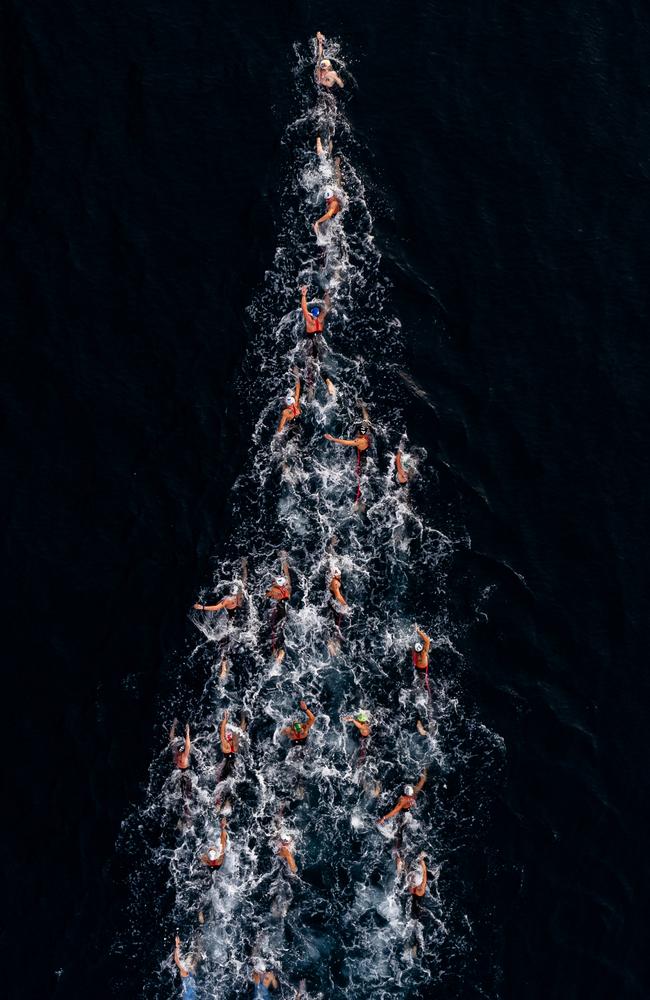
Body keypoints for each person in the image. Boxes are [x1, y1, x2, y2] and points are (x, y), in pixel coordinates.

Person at [266, 554, 291, 662]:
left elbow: (266, 595)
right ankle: (279, 654)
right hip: (283, 612)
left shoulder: (274, 591)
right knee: (280, 634)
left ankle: (279, 655)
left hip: (277, 613)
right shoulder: (287, 590)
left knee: (276, 634)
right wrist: (284, 561)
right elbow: (287, 576)